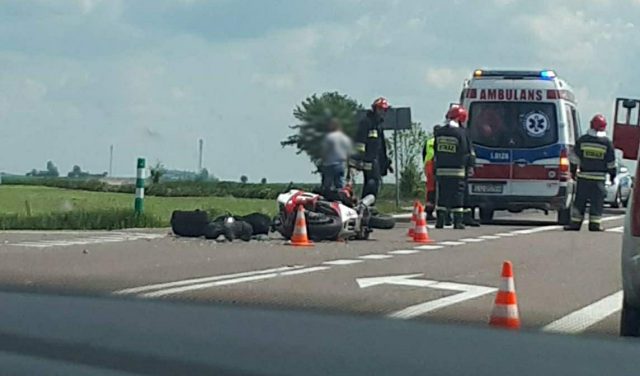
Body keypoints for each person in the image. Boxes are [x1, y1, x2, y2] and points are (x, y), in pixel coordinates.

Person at [564, 114, 616, 232]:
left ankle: (575, 224)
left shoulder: (583, 140)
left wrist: (572, 172)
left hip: (583, 177)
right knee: (597, 203)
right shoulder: (607, 143)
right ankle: (595, 225)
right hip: (599, 179)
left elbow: (574, 158)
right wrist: (613, 176)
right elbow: (611, 163)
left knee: (579, 201)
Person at [434, 105, 472, 230]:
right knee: (457, 196)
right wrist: (470, 166)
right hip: (457, 171)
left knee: (442, 196)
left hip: (441, 170)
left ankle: (440, 221)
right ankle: (458, 222)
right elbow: (466, 152)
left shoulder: (439, 132)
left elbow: (436, 150)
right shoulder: (461, 133)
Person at [351, 97, 393, 198]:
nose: (383, 112)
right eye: (381, 109)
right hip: (367, 160)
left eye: (385, 110)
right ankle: (366, 205)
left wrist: (386, 163)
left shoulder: (378, 125)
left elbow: (381, 147)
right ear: (375, 109)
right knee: (372, 182)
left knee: (374, 182)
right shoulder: (366, 123)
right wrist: (359, 160)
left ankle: (369, 205)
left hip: (376, 160)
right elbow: (360, 143)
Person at [321, 118, 352, 191]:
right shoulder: (345, 138)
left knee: (327, 186)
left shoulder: (329, 137)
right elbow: (348, 152)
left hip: (329, 164)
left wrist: (322, 161)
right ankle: (340, 199)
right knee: (340, 185)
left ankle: (327, 199)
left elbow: (324, 150)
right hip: (341, 164)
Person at [461, 113, 480, 227]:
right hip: (461, 169)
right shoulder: (463, 133)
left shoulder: (443, 134)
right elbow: (469, 153)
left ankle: (446, 219)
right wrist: (471, 165)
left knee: (446, 196)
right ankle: (465, 218)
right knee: (462, 195)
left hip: (444, 170)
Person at [422, 133, 436, 220]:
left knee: (430, 190)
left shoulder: (429, 141)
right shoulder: (441, 141)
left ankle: (429, 212)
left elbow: (423, 154)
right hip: (436, 165)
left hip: (428, 165)